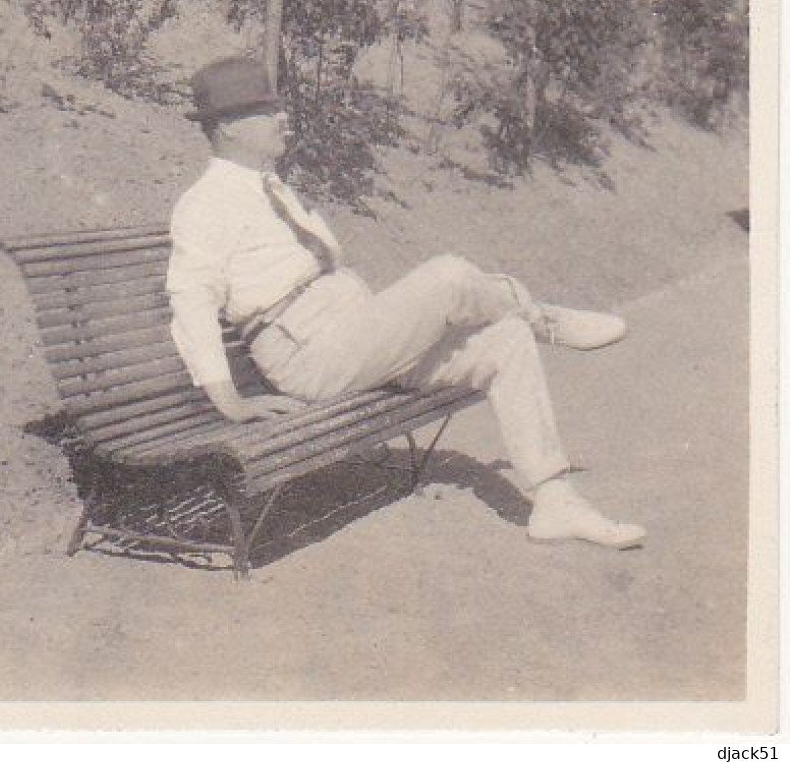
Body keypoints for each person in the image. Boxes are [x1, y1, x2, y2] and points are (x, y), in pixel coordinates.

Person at [166, 55, 646, 550]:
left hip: (351, 337)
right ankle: (543, 316)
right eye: (265, 110)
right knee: (449, 277)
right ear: (228, 128)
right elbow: (191, 300)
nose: (282, 117)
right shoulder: (204, 205)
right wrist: (228, 399)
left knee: (505, 339)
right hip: (309, 354)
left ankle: (554, 499)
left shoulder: (272, 188)